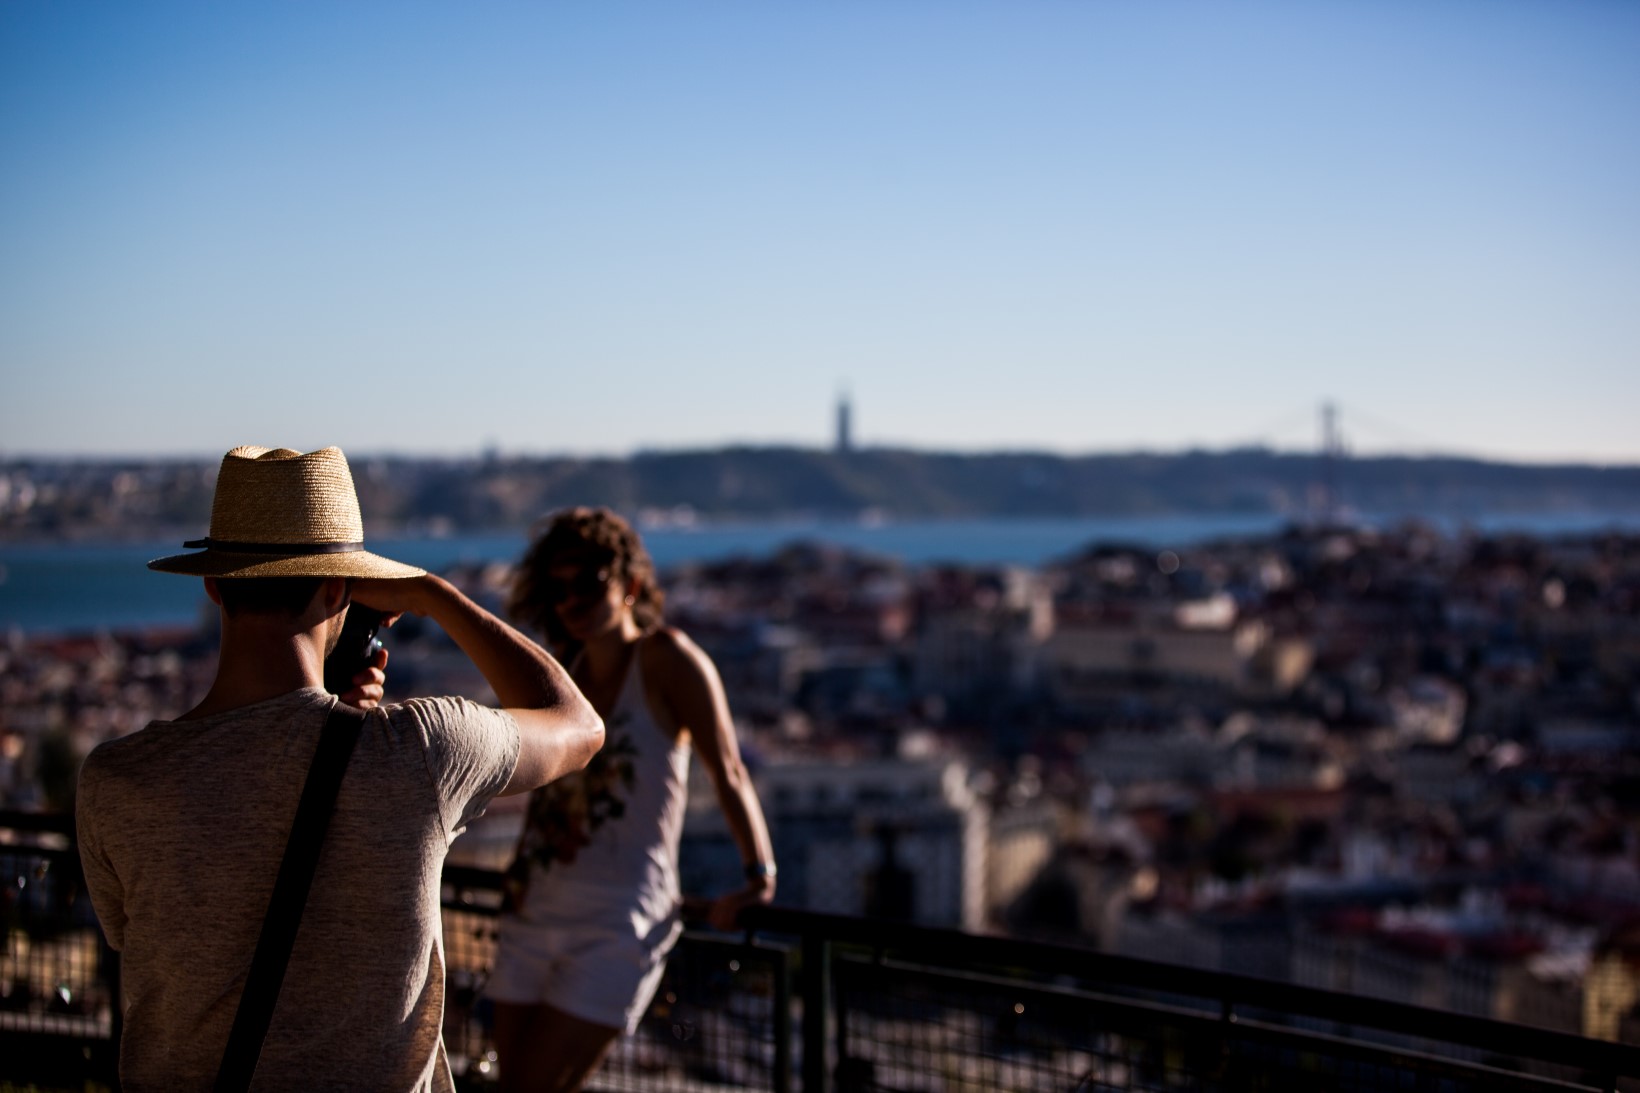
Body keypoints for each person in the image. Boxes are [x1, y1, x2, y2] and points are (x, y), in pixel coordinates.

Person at [74, 445, 604, 1092]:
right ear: (339, 589)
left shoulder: (119, 778)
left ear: (213, 585)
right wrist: (435, 595)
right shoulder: (422, 750)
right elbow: (578, 725)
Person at [487, 507, 777, 1093]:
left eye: (588, 583)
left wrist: (759, 873)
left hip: (619, 922)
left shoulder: (669, 660)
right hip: (533, 909)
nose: (572, 601)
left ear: (631, 585)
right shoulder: (561, 673)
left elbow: (729, 769)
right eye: (559, 588)